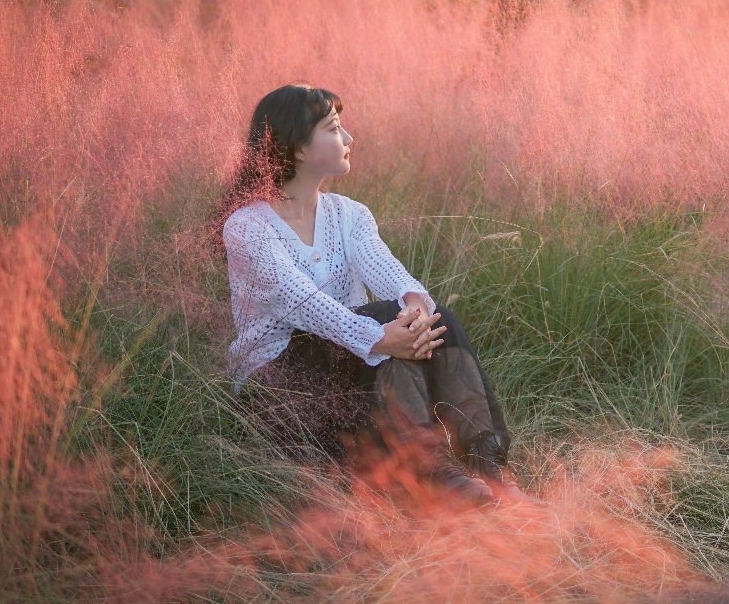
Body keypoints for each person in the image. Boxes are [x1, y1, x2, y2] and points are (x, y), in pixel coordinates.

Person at [220, 83, 533, 506]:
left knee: (434, 317)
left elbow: (388, 272)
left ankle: (491, 471)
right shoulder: (247, 227)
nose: (347, 139)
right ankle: (432, 474)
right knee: (386, 322)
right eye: (333, 129)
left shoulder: (349, 215)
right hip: (281, 388)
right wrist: (379, 337)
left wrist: (416, 308)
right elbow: (302, 302)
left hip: (349, 366)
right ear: (296, 148)